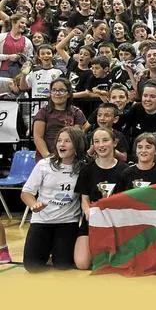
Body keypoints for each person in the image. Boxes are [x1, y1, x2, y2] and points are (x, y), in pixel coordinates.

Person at [21, 126, 87, 272]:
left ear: (77, 145)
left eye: (67, 141)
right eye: (59, 141)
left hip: (67, 223)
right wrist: (33, 204)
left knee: (64, 265)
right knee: (32, 267)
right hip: (42, 221)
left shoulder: (83, 168)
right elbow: (26, 192)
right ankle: (47, 250)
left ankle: (57, 252)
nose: (61, 144)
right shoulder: (44, 165)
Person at [74, 127, 129, 269]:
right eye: (96, 142)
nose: (101, 145)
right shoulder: (87, 170)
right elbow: (84, 199)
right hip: (93, 222)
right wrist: (88, 212)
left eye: (105, 140)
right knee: (82, 264)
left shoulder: (126, 170)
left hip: (117, 223)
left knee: (118, 264)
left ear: (114, 143)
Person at [33, 78, 88, 162]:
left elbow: (77, 138)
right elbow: (38, 137)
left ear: (69, 94)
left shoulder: (76, 113)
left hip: (68, 158)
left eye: (61, 90)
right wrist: (47, 157)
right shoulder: (43, 112)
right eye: (54, 90)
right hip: (46, 158)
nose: (57, 93)